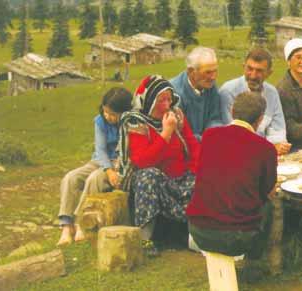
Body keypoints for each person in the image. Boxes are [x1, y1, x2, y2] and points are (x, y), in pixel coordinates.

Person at [186, 91, 277, 275]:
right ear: (260, 120)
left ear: (232, 110)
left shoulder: (210, 136)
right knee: (270, 206)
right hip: (238, 237)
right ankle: (255, 261)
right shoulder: (265, 148)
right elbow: (268, 191)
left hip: (199, 230)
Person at [118, 75, 201, 255]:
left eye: (169, 99)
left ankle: (197, 235)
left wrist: (195, 171)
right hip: (154, 181)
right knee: (149, 175)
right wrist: (166, 133)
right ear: (149, 100)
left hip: (180, 179)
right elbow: (143, 161)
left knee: (206, 177)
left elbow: (193, 146)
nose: (166, 104)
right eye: (161, 100)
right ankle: (145, 238)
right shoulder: (136, 122)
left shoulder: (176, 115)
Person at [57, 87, 132, 246]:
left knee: (94, 179)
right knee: (71, 178)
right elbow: (100, 150)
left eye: (112, 114)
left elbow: (126, 152)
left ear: (123, 112)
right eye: (105, 111)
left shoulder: (131, 122)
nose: (107, 116)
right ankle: (66, 225)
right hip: (100, 161)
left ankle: (80, 223)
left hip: (119, 163)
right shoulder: (100, 121)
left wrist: (113, 170)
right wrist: (108, 169)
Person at [219, 48, 292, 155]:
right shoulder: (228, 91)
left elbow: (278, 129)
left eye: (259, 71)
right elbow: (232, 133)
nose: (253, 75)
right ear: (243, 67)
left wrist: (278, 145)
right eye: (249, 69)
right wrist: (269, 147)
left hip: (266, 153)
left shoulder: (272, 93)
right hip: (236, 154)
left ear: (269, 73)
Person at [170, 47, 224, 140]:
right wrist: (205, 140)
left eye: (215, 71)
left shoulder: (210, 86)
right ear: (191, 71)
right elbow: (179, 134)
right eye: (208, 72)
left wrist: (213, 135)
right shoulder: (174, 93)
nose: (213, 77)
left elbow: (215, 118)